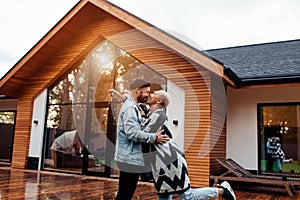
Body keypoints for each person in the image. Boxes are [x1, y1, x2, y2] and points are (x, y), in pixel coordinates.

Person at [112, 89, 236, 200]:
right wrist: (124, 99)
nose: (150, 94)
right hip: (159, 164)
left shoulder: (160, 115)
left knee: (187, 196)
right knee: (164, 195)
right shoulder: (151, 114)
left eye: (154, 94)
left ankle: (222, 191)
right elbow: (138, 106)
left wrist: (146, 126)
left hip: (170, 162)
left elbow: (143, 133)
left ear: (159, 100)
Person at [114, 78, 169, 200]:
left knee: (125, 193)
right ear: (138, 90)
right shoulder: (130, 108)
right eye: (147, 92)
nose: (148, 95)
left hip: (131, 158)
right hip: (129, 159)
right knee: (125, 194)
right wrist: (154, 137)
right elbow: (132, 133)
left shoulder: (133, 107)